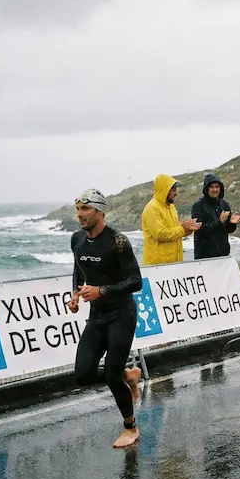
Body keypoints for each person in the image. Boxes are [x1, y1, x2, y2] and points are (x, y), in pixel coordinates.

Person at [68, 190, 144, 448]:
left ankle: (130, 427)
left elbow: (136, 282)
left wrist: (101, 291)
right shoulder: (76, 239)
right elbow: (78, 269)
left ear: (100, 212)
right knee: (82, 374)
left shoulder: (118, 241)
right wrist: (75, 294)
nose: (80, 214)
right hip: (97, 315)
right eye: (78, 209)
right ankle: (128, 376)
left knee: (111, 376)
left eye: (85, 209)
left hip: (122, 314)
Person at [141, 174, 201, 266]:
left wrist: (188, 229)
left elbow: (174, 231)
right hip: (157, 266)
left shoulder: (171, 207)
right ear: (164, 190)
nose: (176, 193)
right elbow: (160, 234)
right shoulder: (152, 208)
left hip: (174, 264)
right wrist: (182, 229)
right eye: (173, 190)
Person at [190, 173, 240, 260]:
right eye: (212, 187)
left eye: (217, 187)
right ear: (206, 189)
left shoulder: (224, 204)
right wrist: (219, 221)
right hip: (204, 257)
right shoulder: (198, 206)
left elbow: (228, 230)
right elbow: (200, 229)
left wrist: (232, 223)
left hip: (223, 255)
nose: (215, 189)